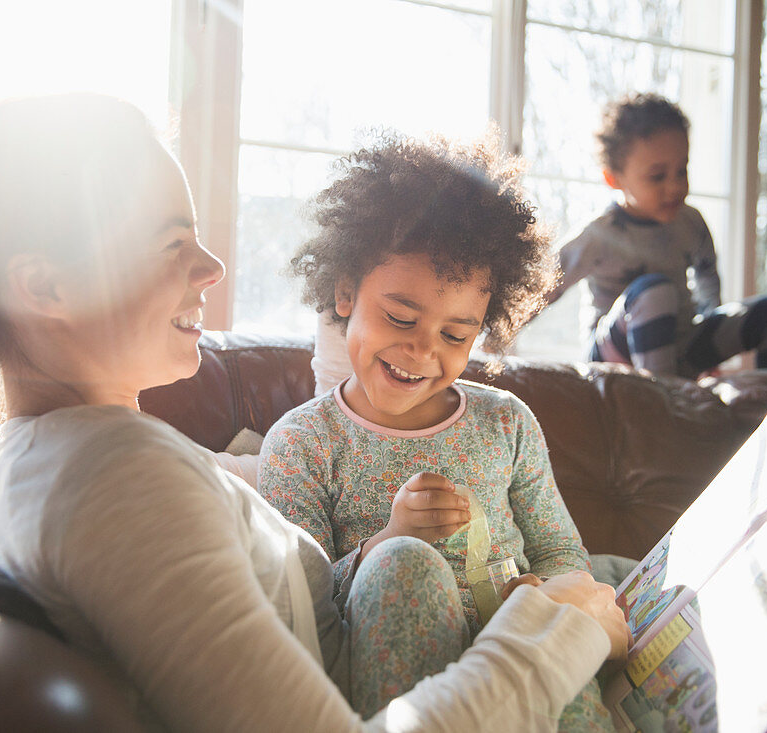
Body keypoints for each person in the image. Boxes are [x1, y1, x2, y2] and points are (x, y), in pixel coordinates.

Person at [0, 91, 629, 731]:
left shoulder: (94, 457)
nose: (212, 265)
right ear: (46, 287)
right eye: (172, 243)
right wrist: (562, 633)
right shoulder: (112, 487)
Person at [260, 130, 616, 730]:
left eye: (456, 335)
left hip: (518, 665)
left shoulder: (506, 422)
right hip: (399, 676)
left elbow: (561, 551)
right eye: (400, 317)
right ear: (345, 293)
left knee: (553, 616)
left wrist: (543, 589)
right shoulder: (303, 443)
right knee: (404, 562)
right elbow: (300, 602)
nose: (422, 349)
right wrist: (388, 539)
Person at [543, 92, 767, 379]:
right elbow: (541, 288)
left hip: (682, 349)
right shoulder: (599, 234)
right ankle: (666, 405)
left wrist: (710, 331)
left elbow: (707, 277)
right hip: (615, 361)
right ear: (614, 178)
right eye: (657, 176)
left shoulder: (690, 222)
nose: (675, 186)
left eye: (682, 170)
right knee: (655, 292)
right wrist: (495, 336)